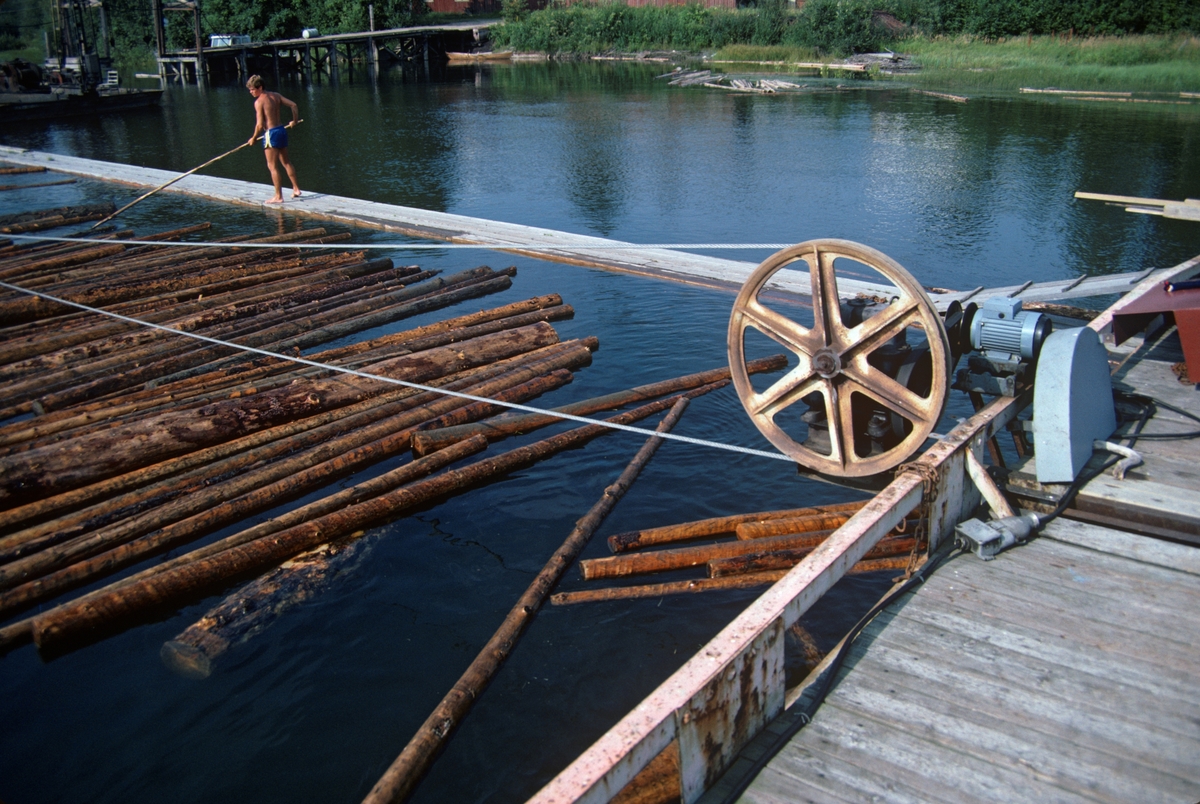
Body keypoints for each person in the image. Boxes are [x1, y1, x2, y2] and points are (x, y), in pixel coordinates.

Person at [245, 75, 301, 203]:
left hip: (270, 133)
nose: (251, 92)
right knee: (286, 162)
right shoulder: (276, 96)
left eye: (253, 89)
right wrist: (295, 120)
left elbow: (259, 125)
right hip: (281, 130)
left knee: (272, 166)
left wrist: (253, 138)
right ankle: (296, 189)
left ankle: (278, 196)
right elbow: (293, 105)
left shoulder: (259, 102)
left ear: (260, 87)